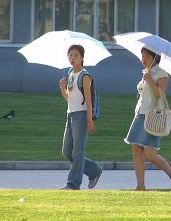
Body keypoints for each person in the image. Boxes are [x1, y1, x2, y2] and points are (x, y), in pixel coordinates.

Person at [124, 47, 171, 191]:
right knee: (136, 149)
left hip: (152, 116)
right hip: (140, 115)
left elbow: (159, 94)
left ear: (155, 58)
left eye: (146, 57)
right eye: (142, 56)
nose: (143, 59)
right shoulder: (145, 72)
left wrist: (150, 80)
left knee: (150, 154)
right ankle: (140, 186)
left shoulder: (161, 73)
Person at [59, 44, 102, 190]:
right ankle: (94, 170)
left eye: (76, 55)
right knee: (67, 151)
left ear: (82, 58)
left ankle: (73, 184)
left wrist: (89, 120)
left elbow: (89, 101)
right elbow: (69, 98)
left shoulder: (85, 76)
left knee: (78, 152)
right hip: (70, 115)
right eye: (70, 55)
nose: (72, 58)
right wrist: (62, 88)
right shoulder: (71, 73)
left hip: (82, 116)